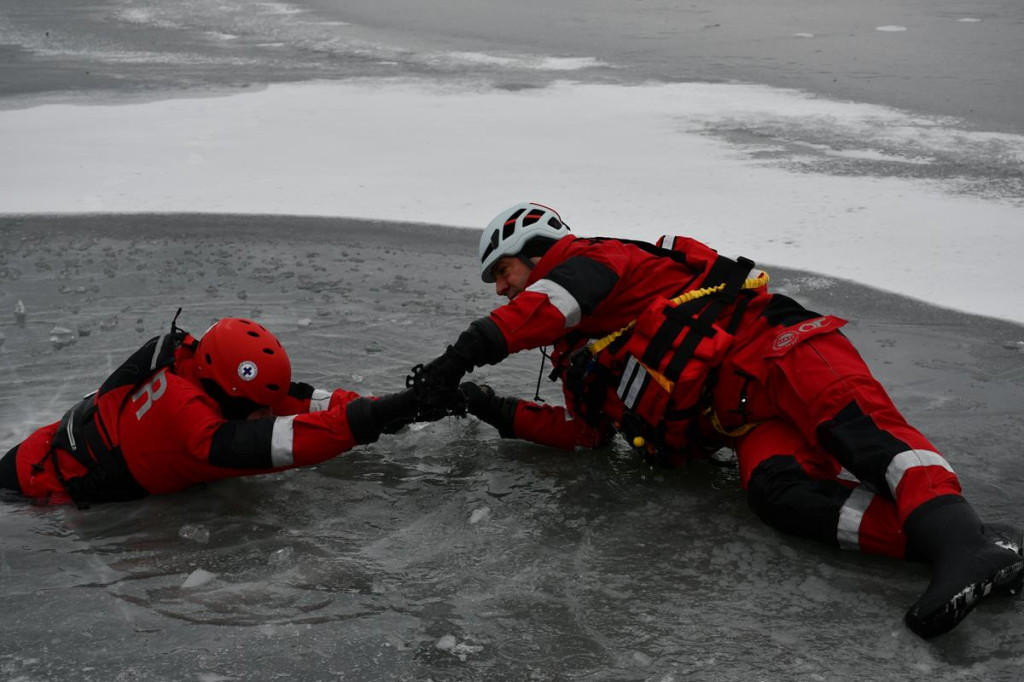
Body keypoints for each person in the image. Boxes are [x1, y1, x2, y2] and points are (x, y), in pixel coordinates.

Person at [408, 201, 1024, 640]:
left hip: (780, 349)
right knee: (779, 495)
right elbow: (585, 432)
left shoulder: (597, 262)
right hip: (746, 419)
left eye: (503, 272)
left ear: (537, 253)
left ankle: (961, 545)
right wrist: (486, 404)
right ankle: (966, 546)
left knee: (867, 440)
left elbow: (547, 306)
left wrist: (459, 356)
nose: (499, 289)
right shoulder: (581, 353)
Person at [0, 312, 436, 508]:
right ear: (223, 392)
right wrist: (372, 420)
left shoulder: (199, 368)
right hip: (33, 491)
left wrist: (399, 407)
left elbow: (300, 401)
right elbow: (277, 443)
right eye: (255, 407)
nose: (266, 413)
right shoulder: (188, 420)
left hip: (41, 452)